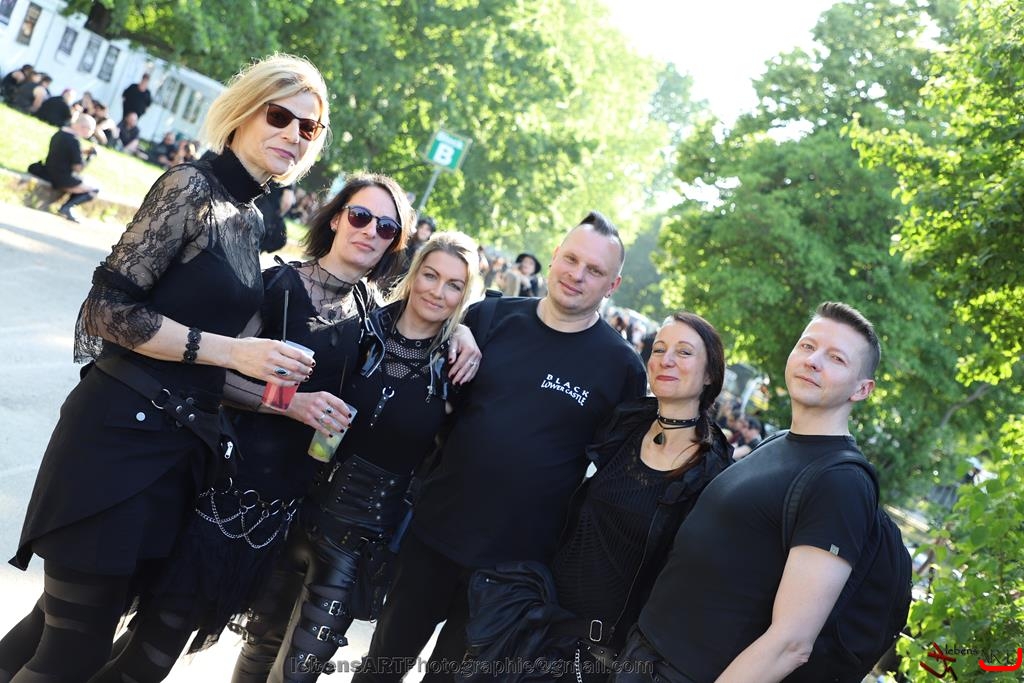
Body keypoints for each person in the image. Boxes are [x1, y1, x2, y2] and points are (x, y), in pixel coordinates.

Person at [0, 53, 330, 683]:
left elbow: (206, 361)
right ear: (242, 114)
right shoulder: (190, 188)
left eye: (308, 127)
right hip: (117, 439)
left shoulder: (250, 218)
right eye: (279, 116)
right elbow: (107, 310)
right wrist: (232, 350)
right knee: (76, 649)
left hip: (175, 453)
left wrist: (284, 399)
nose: (293, 134)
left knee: (56, 628)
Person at [353, 211, 649, 683]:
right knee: (381, 667)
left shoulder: (622, 369)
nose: (577, 274)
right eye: (571, 259)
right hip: (434, 535)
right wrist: (458, 328)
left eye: (594, 270)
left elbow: (614, 479)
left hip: (513, 570)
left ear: (612, 285)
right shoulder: (490, 318)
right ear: (554, 257)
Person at [233, 231, 483, 683]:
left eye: (454, 285)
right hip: (297, 510)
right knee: (257, 649)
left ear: (465, 296)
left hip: (358, 542)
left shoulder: (456, 367)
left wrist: (462, 332)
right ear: (413, 274)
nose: (437, 291)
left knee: (296, 673)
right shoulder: (361, 327)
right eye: (430, 275)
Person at [610, 301, 881, 683]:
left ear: (862, 389)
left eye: (836, 358)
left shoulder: (842, 482)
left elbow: (791, 643)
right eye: (807, 346)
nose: (813, 361)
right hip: (642, 656)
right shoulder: (779, 442)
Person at [464, 311, 733, 682]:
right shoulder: (625, 424)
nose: (666, 360)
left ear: (709, 374)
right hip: (541, 628)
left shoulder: (710, 472)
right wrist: (462, 330)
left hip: (601, 659)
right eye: (659, 349)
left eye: (684, 352)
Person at [26, 114, 101, 223]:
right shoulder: (74, 141)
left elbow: (65, 152)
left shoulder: (60, 133)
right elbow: (78, 168)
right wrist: (90, 157)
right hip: (62, 179)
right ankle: (67, 208)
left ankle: (66, 208)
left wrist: (84, 152)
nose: (91, 133)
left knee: (87, 181)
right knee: (94, 189)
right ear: (82, 127)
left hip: (47, 171)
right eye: (90, 130)